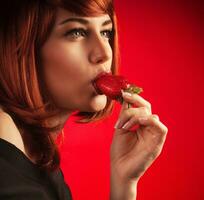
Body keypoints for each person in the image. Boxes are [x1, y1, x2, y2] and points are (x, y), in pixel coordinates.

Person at [0, 0, 168, 199]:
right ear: (25, 47)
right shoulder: (7, 166)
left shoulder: (36, 154)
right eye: (76, 32)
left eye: (106, 32)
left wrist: (124, 181)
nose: (105, 53)